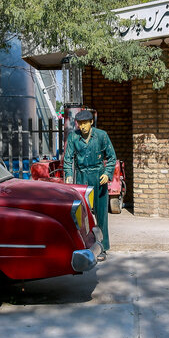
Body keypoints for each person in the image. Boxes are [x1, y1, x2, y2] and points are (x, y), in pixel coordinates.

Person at [63, 110, 117, 260]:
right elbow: (68, 159)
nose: (83, 127)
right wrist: (68, 175)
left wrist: (107, 173)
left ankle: (103, 247)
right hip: (81, 176)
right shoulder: (73, 136)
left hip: (98, 175)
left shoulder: (101, 135)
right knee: (81, 214)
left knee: (101, 213)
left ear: (91, 122)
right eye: (80, 123)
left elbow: (112, 157)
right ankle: (82, 245)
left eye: (85, 123)